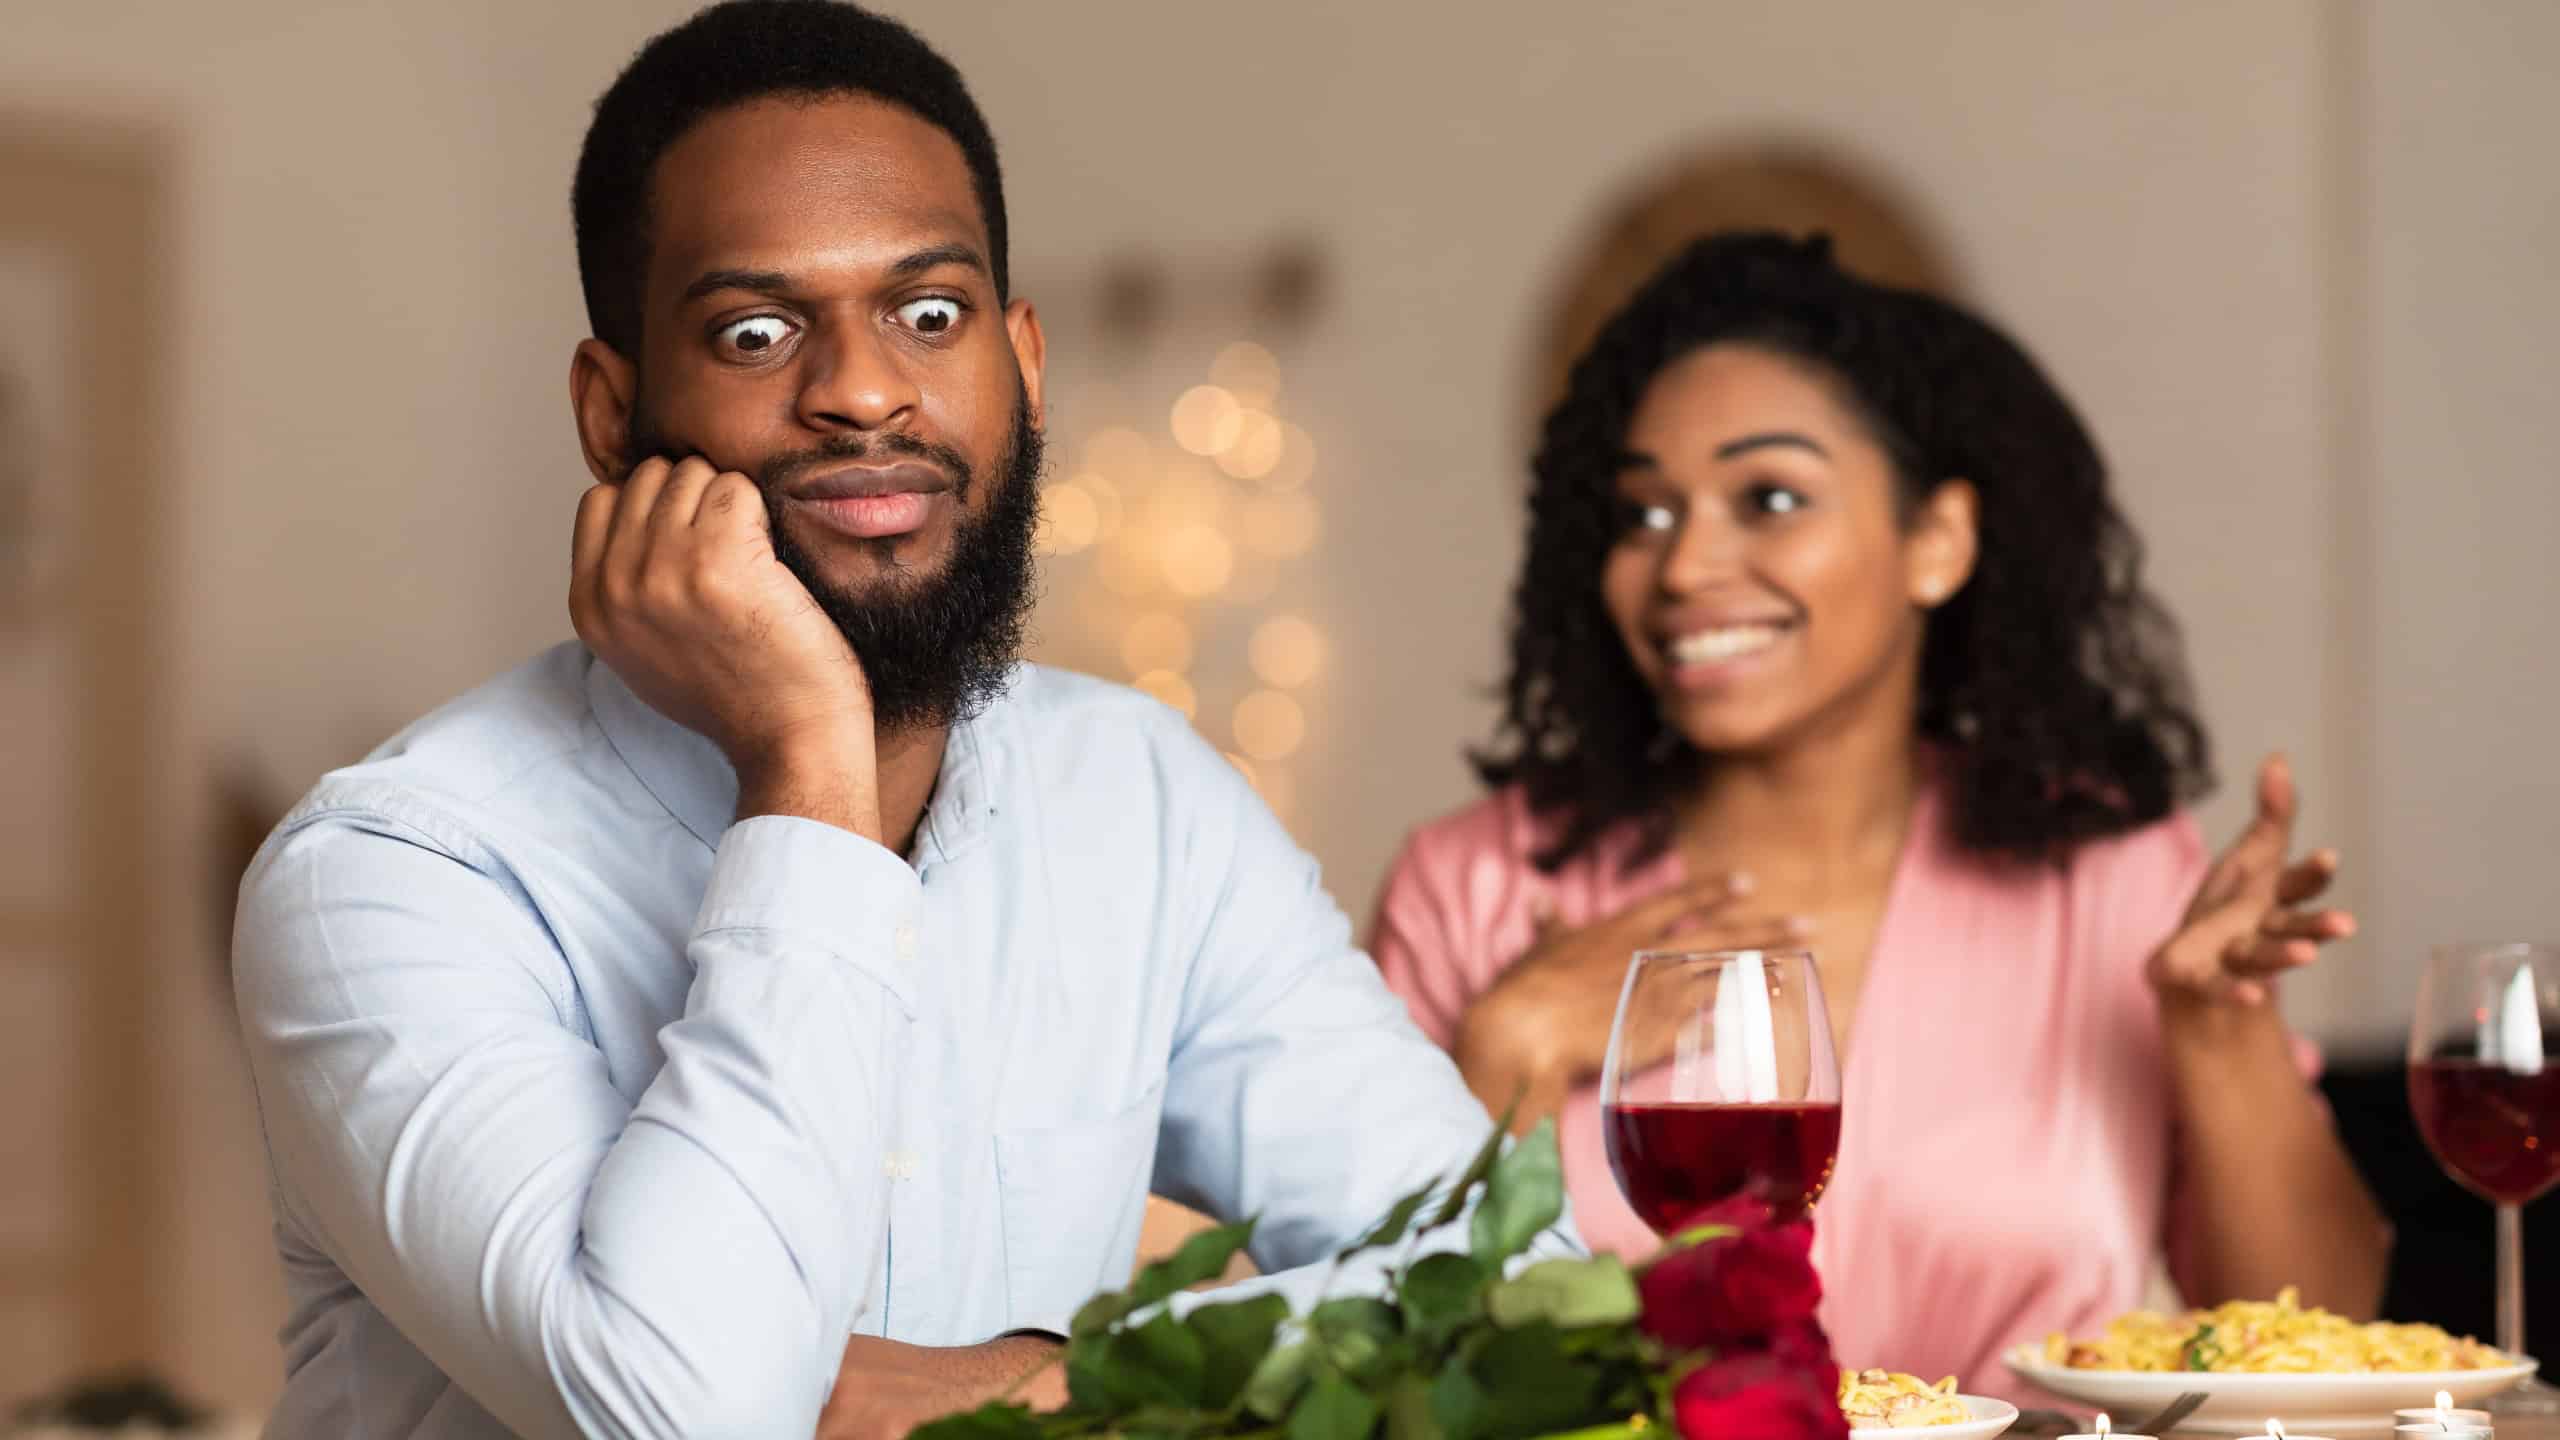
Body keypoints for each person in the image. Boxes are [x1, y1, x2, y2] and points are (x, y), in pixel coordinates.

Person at [229, 5, 1526, 1437]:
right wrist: (808, 759)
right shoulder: (391, 878)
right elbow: (691, 1418)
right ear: (611, 414)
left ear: (1022, 365)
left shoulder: (1142, 804)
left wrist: (1034, 1380)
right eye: (757, 328)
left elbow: (1504, 1289)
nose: (859, 389)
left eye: (927, 314)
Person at [1370, 232, 2390, 1398]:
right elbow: (1364, 1358)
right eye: (1642, 516)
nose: (1685, 564)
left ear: (1936, 542)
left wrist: (2219, 1032)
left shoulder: (2105, 872)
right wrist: (1502, 1055)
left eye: (1768, 498)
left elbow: (2323, 1331)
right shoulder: (1472, 888)